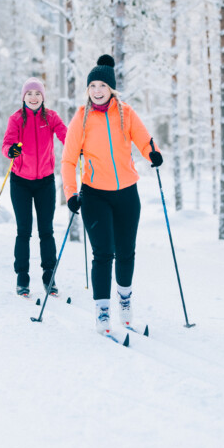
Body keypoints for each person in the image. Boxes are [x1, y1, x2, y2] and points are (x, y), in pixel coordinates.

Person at [60, 55, 163, 334]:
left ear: (111, 88)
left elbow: (144, 139)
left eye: (102, 85)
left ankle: (125, 302)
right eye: (92, 85)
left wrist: (152, 153)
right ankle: (102, 311)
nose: (96, 90)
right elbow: (68, 161)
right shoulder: (81, 119)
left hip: (127, 194)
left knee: (126, 252)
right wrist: (71, 194)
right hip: (95, 196)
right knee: (103, 254)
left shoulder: (125, 113)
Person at [2, 77, 68, 297]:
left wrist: (76, 146)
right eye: (29, 93)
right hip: (20, 181)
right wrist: (11, 151)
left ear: (43, 97)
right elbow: (7, 144)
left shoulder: (51, 117)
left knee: (46, 230)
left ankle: (49, 275)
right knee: (24, 230)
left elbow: (65, 135)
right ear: (24, 97)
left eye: (37, 93)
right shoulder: (16, 119)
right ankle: (22, 277)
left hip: (45, 182)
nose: (33, 97)